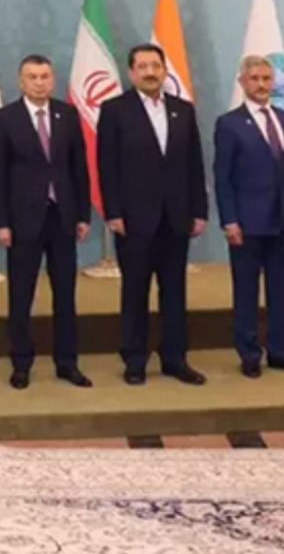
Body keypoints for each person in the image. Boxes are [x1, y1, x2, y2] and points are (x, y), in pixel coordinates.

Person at [98, 43, 208, 386]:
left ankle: (175, 359)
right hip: (133, 218)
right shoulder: (115, 110)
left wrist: (199, 210)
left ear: (164, 70)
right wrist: (113, 211)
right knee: (135, 291)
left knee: (174, 291)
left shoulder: (183, 110)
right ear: (131, 73)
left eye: (155, 66)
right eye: (142, 66)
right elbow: (107, 165)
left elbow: (194, 163)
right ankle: (135, 359)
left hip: (176, 216)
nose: (149, 72)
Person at [0, 54, 93, 389]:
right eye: (32, 77)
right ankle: (21, 362)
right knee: (21, 294)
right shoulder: (5, 118)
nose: (39, 82)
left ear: (53, 79)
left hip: (62, 218)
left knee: (66, 294)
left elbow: (79, 168)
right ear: (21, 81)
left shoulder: (67, 114)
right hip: (22, 221)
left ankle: (67, 362)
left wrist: (82, 214)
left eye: (44, 76)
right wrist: (1, 222)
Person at [214, 55, 284, 378]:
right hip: (246, 224)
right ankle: (248, 353)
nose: (261, 85)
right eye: (255, 79)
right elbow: (223, 177)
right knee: (246, 291)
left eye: (266, 79)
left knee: (282, 290)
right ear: (243, 83)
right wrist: (229, 220)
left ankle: (280, 350)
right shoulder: (229, 123)